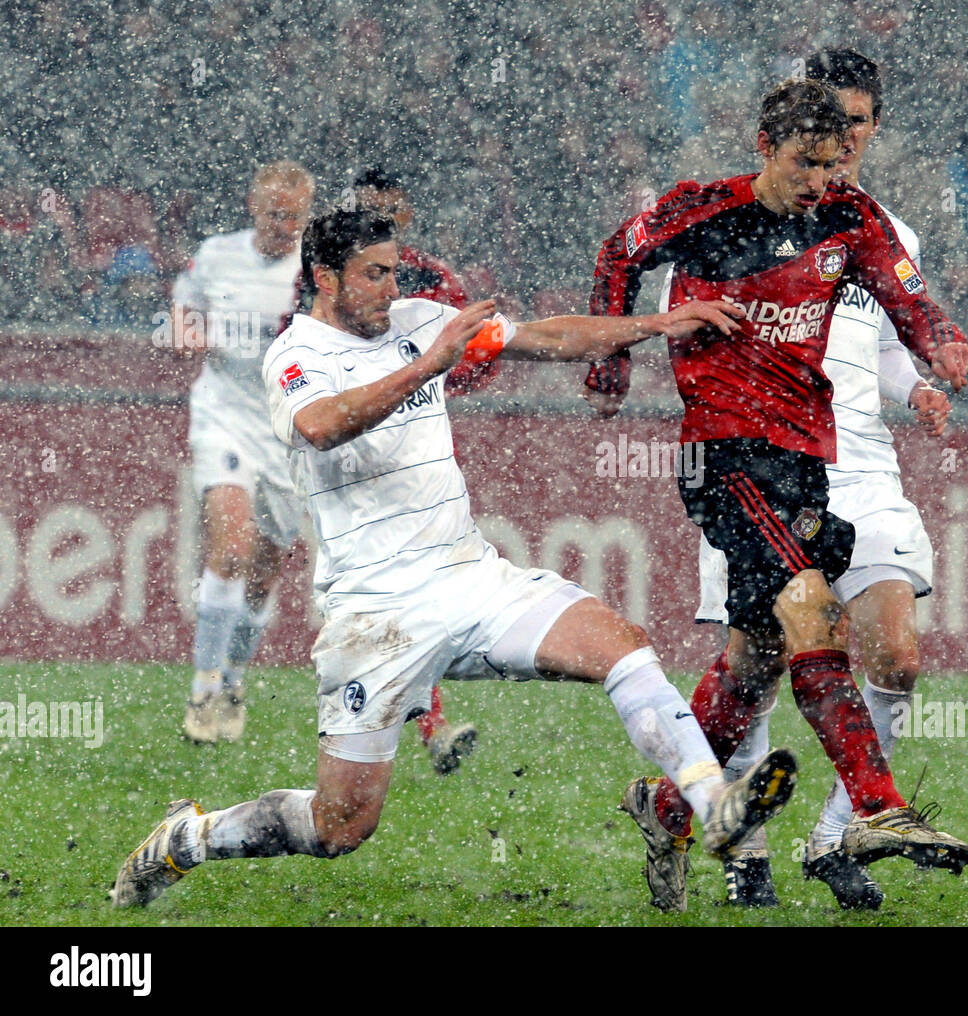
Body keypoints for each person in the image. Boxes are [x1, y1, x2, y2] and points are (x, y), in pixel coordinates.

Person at [112, 208, 797, 908]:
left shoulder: (418, 318)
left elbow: (545, 337)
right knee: (340, 825)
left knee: (622, 646)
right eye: (372, 274)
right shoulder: (294, 356)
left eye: (392, 270)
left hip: (472, 578)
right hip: (375, 614)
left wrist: (652, 328)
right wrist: (430, 364)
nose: (389, 286)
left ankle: (713, 805)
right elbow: (321, 427)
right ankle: (187, 838)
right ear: (324, 278)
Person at [586, 79, 968, 913]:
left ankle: (663, 810)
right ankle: (876, 809)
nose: (818, 182)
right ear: (765, 146)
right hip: (725, 452)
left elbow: (907, 299)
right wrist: (612, 358)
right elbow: (619, 253)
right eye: (804, 163)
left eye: (833, 164)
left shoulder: (850, 216)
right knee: (813, 612)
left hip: (805, 455)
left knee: (754, 662)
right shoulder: (700, 210)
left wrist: (940, 339)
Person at [695, 50, 964, 909]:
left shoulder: (889, 233)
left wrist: (916, 385)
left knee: (898, 653)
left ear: (874, 128)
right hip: (764, 462)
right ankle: (740, 846)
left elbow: (884, 346)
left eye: (855, 123)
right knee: (755, 667)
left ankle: (837, 832)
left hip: (861, 466)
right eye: (825, 124)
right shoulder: (726, 221)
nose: (840, 141)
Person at [171, 160, 315, 744]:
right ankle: (204, 691)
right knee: (228, 545)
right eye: (275, 214)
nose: (284, 226)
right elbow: (183, 310)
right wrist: (186, 333)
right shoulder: (216, 254)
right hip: (223, 415)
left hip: (285, 427)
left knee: (263, 572)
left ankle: (233, 677)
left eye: (295, 217)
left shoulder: (317, 271)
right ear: (254, 208)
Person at [351, 166, 481, 775]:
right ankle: (394, 715)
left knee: (409, 589)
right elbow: (290, 339)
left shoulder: (432, 280)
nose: (382, 218)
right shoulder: (323, 275)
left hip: (413, 449)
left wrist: (433, 377)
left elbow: (477, 351)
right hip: (348, 453)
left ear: (406, 213)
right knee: (379, 591)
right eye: (370, 208)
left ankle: (419, 721)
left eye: (390, 209)